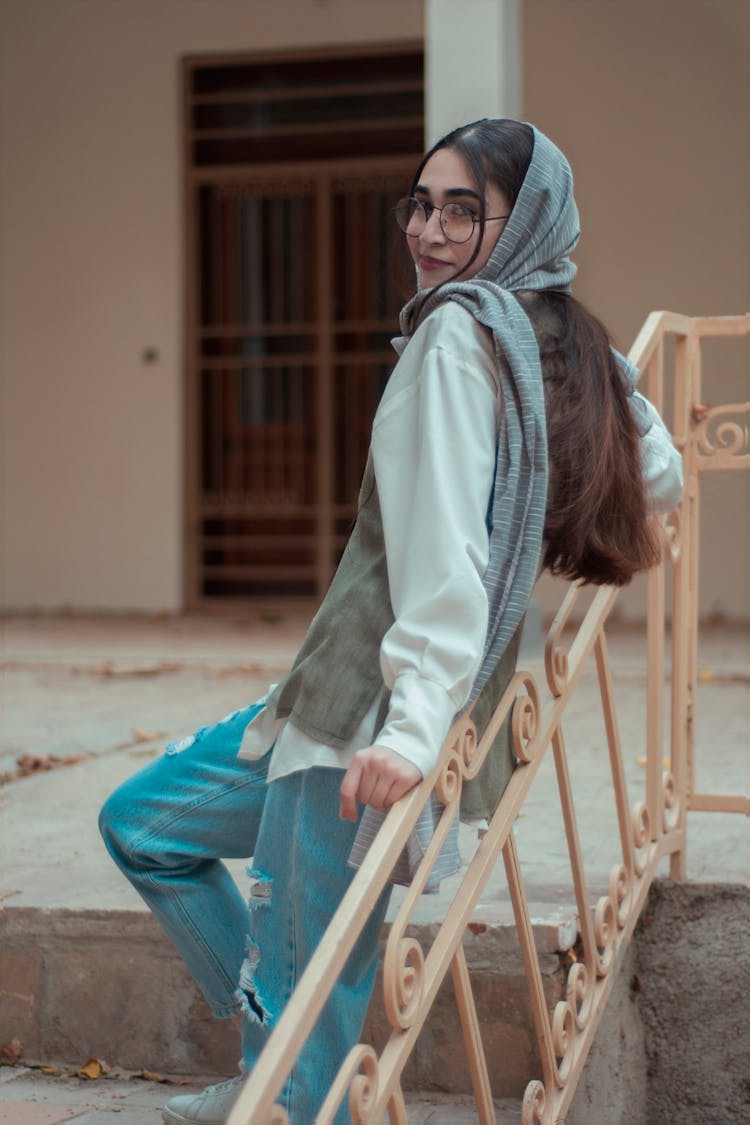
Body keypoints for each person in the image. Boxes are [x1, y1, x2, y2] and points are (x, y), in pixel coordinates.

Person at [99, 119, 682, 1125]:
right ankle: (274, 1063)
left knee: (313, 973)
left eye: (465, 209)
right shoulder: (554, 331)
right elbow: (660, 469)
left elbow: (445, 558)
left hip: (366, 728)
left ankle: (284, 1087)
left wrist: (410, 733)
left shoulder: (463, 333)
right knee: (145, 825)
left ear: (524, 218)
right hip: (345, 702)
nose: (432, 229)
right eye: (421, 202)